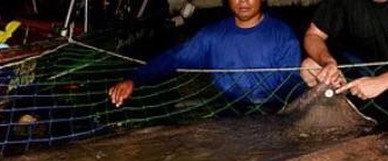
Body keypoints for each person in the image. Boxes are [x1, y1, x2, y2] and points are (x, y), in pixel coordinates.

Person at [107, 0, 302, 108]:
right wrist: (134, 78)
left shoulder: (283, 35)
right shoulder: (212, 36)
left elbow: (293, 85)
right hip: (228, 110)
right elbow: (174, 58)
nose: (243, 1)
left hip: (274, 111)